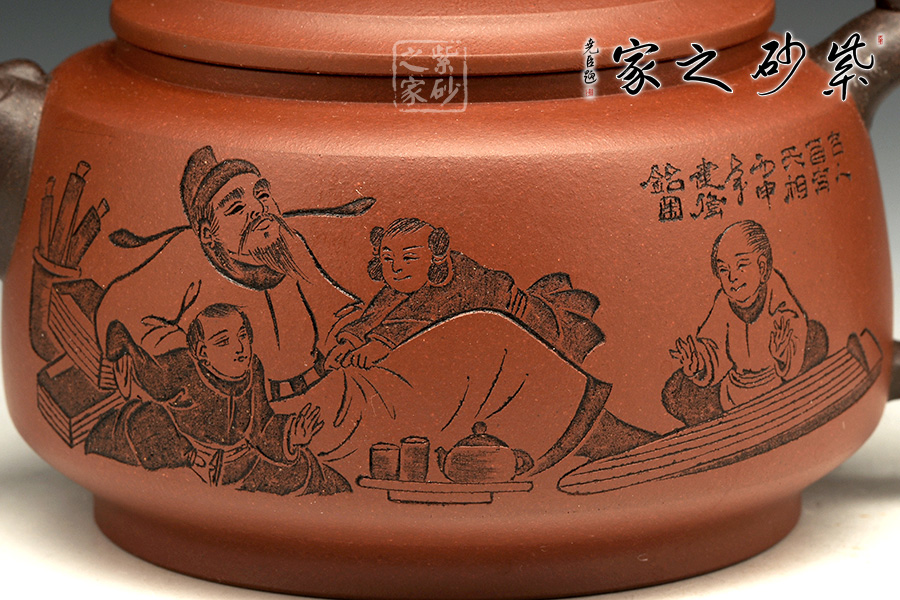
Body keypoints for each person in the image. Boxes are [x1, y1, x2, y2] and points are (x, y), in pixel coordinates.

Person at [95, 146, 361, 401]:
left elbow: (336, 308)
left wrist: (350, 335)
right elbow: (120, 308)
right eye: (236, 208)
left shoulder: (287, 243)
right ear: (208, 234)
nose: (259, 209)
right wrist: (186, 362)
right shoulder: (188, 254)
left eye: (262, 195)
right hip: (227, 405)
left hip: (314, 388)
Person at [86, 303, 350, 495]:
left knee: (317, 477)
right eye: (224, 342)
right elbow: (150, 373)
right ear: (202, 352)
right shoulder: (184, 367)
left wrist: (291, 435)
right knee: (148, 424)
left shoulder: (253, 370)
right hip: (186, 459)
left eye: (243, 336)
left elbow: (263, 424)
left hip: (237, 463)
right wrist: (123, 345)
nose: (240, 348)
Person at [324, 218, 606, 370]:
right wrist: (350, 340)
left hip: (530, 322)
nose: (396, 268)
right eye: (388, 259)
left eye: (409, 258)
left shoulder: (455, 276)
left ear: (435, 255)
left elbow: (422, 313)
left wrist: (379, 345)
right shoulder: (405, 282)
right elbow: (378, 311)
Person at [667, 220, 818, 422]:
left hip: (774, 388)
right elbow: (713, 347)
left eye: (741, 266)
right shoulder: (724, 302)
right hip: (733, 396)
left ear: (762, 267)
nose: (732, 277)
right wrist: (698, 361)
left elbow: (793, 330)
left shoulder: (778, 297)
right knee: (679, 390)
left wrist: (784, 352)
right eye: (723, 270)